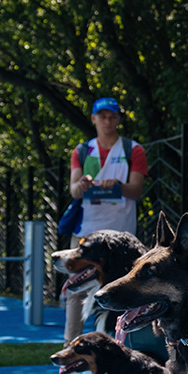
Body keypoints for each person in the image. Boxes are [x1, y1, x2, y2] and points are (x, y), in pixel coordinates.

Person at [64, 96, 148, 344]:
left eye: (112, 116)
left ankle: (120, 345)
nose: (107, 121)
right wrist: (82, 184)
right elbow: (74, 190)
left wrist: (119, 186)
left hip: (120, 235)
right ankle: (72, 345)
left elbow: (136, 191)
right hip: (86, 232)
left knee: (125, 288)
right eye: (102, 116)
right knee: (76, 287)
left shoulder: (133, 149)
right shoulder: (82, 151)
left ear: (118, 120)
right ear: (94, 119)